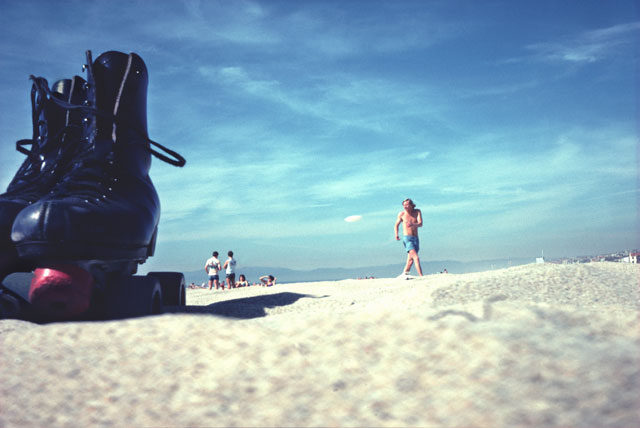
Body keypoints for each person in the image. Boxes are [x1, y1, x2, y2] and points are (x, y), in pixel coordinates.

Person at [394, 198, 423, 276]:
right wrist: (396, 234)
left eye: (407, 205)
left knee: (410, 261)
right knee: (416, 258)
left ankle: (404, 275)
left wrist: (413, 224)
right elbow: (396, 225)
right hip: (407, 238)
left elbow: (420, 224)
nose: (405, 206)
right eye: (404, 205)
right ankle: (421, 276)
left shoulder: (417, 212)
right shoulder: (402, 214)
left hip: (416, 239)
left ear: (411, 205)